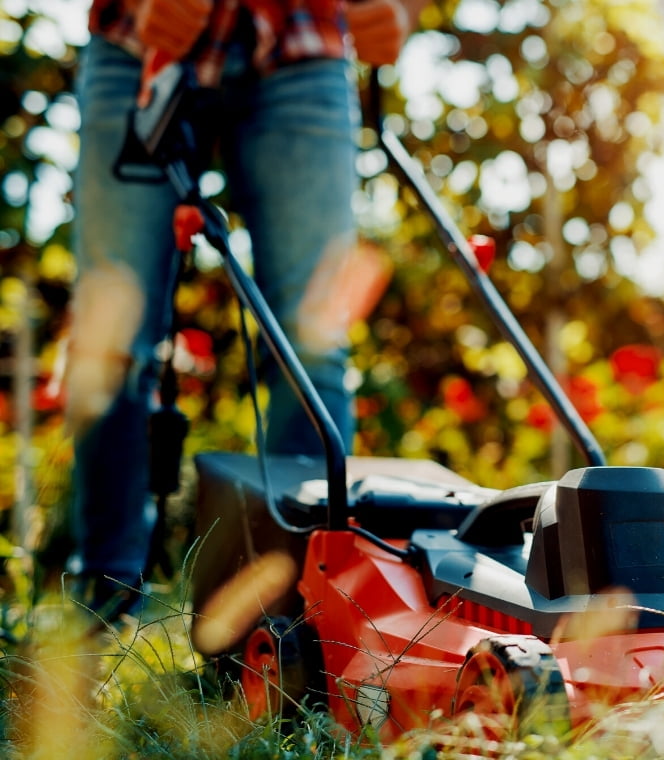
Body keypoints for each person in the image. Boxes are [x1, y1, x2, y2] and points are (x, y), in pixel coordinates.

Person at [68, 0, 420, 620]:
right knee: (111, 341)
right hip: (140, 43)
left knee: (312, 343)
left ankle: (308, 620)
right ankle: (103, 610)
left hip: (301, 45)